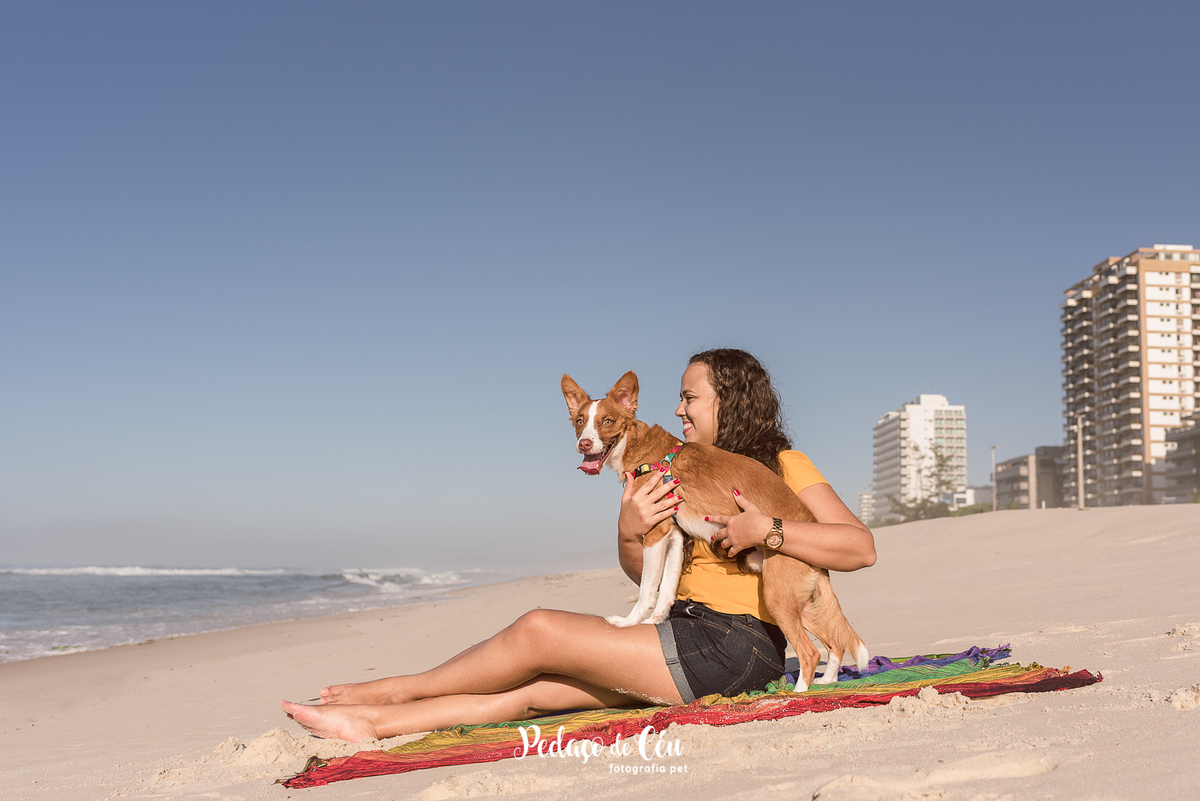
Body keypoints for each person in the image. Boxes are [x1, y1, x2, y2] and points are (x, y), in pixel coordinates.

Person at [280, 349, 875, 742]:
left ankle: (396, 687)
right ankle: (374, 723)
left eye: (690, 397)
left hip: (734, 642)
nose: (678, 408)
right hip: (683, 630)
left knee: (539, 629)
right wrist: (628, 528)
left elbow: (857, 547)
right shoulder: (668, 465)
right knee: (535, 694)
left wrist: (764, 531)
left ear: (730, 400)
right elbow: (639, 568)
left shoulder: (781, 464)